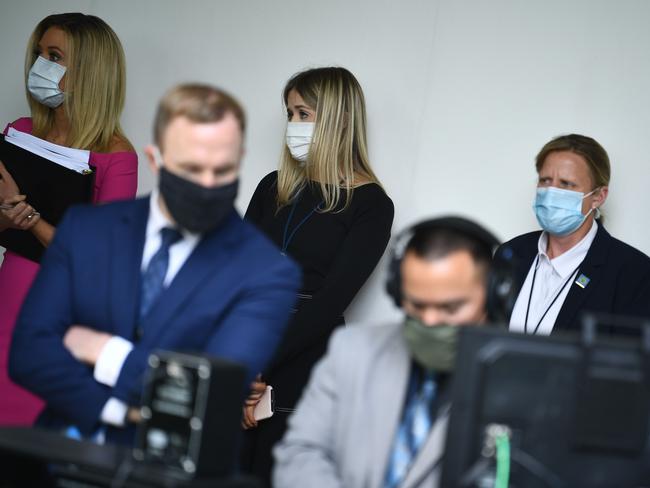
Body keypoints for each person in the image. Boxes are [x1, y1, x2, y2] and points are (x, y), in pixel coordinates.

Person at [9, 83, 301, 446]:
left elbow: (215, 396)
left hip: (176, 471)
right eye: (192, 168)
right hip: (60, 455)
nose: (208, 184)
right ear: (155, 158)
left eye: (222, 170)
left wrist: (106, 353)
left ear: (239, 159)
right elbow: (29, 353)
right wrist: (117, 410)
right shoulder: (87, 230)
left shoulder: (264, 271)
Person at [241, 66, 394, 483]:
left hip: (303, 360)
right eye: (290, 114)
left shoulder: (371, 205)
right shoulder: (273, 186)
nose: (293, 125)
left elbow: (329, 302)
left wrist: (260, 366)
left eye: (303, 114)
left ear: (336, 120)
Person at [273, 217, 509, 488]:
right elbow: (299, 453)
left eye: (450, 308)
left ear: (494, 295)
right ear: (398, 293)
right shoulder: (350, 350)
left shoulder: (523, 380)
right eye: (417, 305)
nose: (430, 321)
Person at [0, 13, 137, 426]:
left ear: (89, 72)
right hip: (10, 294)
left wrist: (27, 216)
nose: (40, 65)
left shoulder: (117, 157)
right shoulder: (19, 132)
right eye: (40, 53)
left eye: (55, 56)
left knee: (33, 441)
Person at [499, 134, 650, 336]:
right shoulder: (511, 253)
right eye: (545, 180)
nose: (551, 191)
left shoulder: (635, 274)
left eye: (566, 184)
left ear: (598, 196)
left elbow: (629, 363)